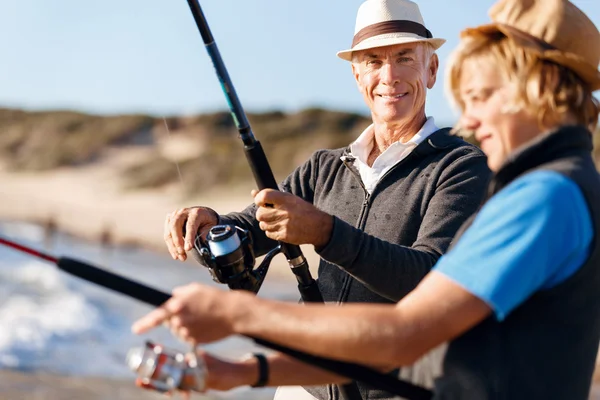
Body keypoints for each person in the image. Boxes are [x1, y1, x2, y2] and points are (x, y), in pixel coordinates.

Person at [134, 0, 600, 398]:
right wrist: (245, 370)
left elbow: (406, 333)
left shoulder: (539, 197)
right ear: (357, 74)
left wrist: (241, 314)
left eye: (481, 96)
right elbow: (413, 345)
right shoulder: (550, 187)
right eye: (374, 61)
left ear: (535, 90)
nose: (470, 120)